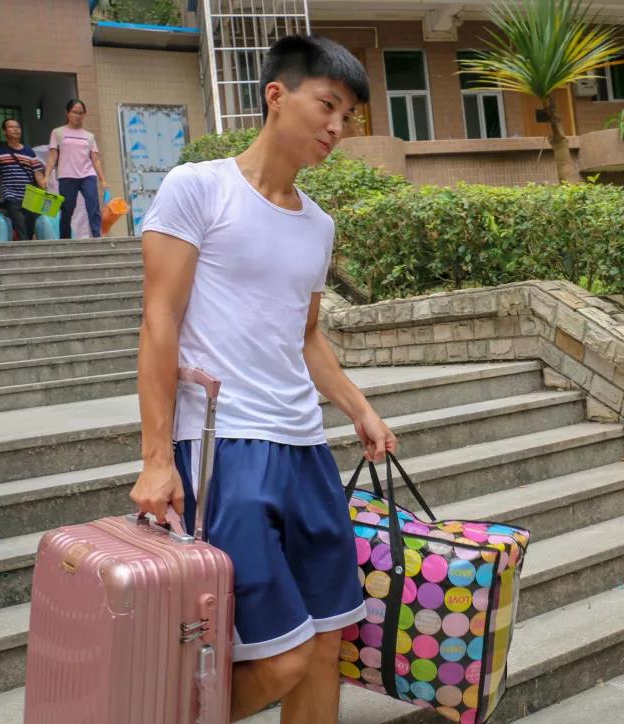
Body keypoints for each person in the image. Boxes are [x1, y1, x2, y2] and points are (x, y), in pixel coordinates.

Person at [129, 35, 394, 723]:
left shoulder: (318, 225)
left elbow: (306, 336)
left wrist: (359, 407)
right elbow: (159, 322)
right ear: (277, 95)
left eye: (348, 116)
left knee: (327, 643)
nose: (338, 128)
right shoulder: (198, 188)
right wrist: (157, 458)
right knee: (279, 658)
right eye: (328, 105)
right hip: (227, 447)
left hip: (305, 447)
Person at [43, 99, 108, 238]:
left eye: (80, 113)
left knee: (93, 207)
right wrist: (46, 176)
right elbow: (53, 156)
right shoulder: (58, 132)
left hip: (87, 175)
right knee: (67, 209)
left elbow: (95, 159)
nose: (77, 115)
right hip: (67, 176)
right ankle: (65, 239)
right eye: (74, 112)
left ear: (84, 114)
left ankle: (97, 237)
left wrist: (103, 180)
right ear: (67, 113)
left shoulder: (89, 136)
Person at [0, 118, 46, 240]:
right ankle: (25, 248)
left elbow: (38, 173)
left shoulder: (29, 152)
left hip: (30, 195)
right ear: (4, 131)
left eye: (18, 127)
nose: (16, 129)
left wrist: (46, 192)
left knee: (30, 227)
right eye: (11, 127)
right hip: (11, 195)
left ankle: (27, 246)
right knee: (20, 226)